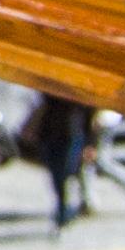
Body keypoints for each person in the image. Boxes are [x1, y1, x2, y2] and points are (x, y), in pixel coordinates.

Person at [23, 89, 93, 226]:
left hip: (71, 135)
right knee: (57, 176)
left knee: (67, 171)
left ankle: (65, 209)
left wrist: (89, 143)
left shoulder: (77, 93)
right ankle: (63, 208)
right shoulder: (49, 90)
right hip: (51, 135)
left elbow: (87, 115)